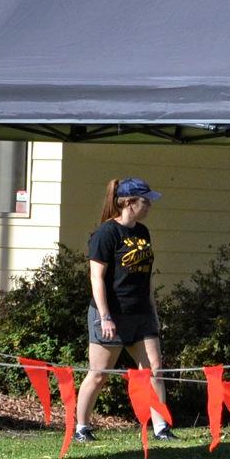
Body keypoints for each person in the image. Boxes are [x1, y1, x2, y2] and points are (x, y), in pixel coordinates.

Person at [74, 177, 171, 445]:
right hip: (111, 314)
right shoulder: (105, 234)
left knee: (155, 369)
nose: (149, 205)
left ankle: (161, 426)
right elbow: (96, 278)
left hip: (140, 313)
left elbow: (147, 276)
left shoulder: (143, 232)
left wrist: (153, 310)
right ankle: (81, 426)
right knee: (98, 374)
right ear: (129, 202)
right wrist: (105, 317)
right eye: (145, 201)